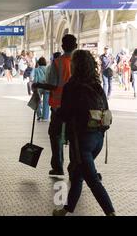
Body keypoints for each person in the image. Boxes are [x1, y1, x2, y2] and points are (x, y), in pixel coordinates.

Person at [53, 50, 115, 216]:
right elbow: (106, 111)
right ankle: (66, 209)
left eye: (73, 62)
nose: (71, 65)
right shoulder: (97, 86)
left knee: (92, 180)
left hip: (82, 140)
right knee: (78, 173)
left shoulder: (72, 86)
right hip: (99, 140)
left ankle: (111, 213)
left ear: (76, 65)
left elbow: (65, 113)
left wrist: (57, 112)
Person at [33, 34, 78, 176]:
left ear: (63, 46)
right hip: (76, 107)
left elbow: (52, 85)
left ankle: (58, 167)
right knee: (74, 137)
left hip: (59, 107)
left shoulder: (57, 63)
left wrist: (38, 84)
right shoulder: (80, 62)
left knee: (55, 135)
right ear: (75, 46)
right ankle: (74, 167)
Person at [32, 57, 49, 122]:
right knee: (46, 102)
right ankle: (45, 117)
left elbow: (35, 78)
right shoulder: (48, 69)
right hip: (47, 87)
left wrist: (34, 86)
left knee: (38, 101)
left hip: (39, 86)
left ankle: (39, 115)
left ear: (38, 63)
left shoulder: (36, 69)